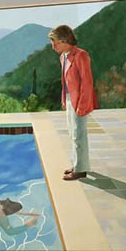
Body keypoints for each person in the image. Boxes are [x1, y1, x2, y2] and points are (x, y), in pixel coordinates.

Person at [48, 25, 98, 181]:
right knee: (73, 132)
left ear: (64, 40)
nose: (53, 46)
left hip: (80, 100)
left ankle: (80, 170)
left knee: (79, 134)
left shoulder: (81, 55)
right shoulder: (63, 57)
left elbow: (87, 82)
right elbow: (65, 82)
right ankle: (78, 164)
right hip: (70, 99)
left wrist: (82, 104)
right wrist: (64, 98)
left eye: (55, 42)